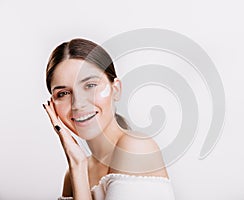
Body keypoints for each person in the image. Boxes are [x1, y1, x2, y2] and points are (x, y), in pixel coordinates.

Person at [42, 38, 175, 200]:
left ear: (116, 89)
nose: (78, 104)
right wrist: (77, 166)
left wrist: (78, 168)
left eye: (90, 85)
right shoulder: (74, 172)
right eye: (63, 93)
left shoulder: (136, 147)